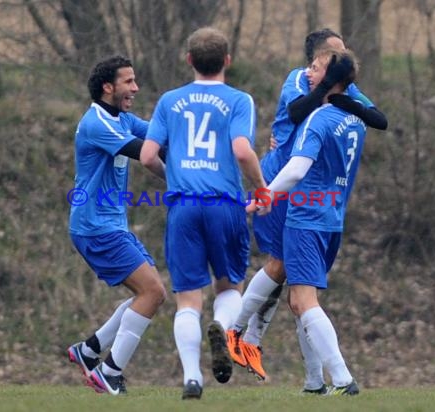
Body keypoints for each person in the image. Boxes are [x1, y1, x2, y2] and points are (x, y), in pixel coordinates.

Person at [226, 28, 387, 390]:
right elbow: (302, 110)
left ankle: (243, 335)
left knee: (300, 294)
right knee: (296, 289)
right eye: (323, 61)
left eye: (324, 67)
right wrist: (332, 97)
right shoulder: (309, 90)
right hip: (312, 203)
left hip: (300, 199)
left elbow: (301, 163)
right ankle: (308, 377)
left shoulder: (329, 114)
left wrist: (262, 196)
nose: (314, 71)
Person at [140, 27, 267, 400]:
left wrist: (175, 176)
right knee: (229, 286)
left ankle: (192, 378)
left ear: (189, 60)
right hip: (225, 205)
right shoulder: (239, 100)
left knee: (187, 299)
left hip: (183, 206)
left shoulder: (169, 101)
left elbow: (148, 156)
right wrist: (260, 187)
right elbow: (242, 151)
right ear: (227, 61)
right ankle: (222, 325)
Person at [252, 47, 365, 395]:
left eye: (315, 70)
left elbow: (298, 168)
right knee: (300, 300)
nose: (308, 75)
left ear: (330, 79)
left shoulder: (320, 118)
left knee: (304, 301)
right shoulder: (355, 119)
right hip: (332, 218)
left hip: (306, 218)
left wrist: (266, 193)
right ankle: (315, 385)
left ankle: (344, 380)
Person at [66, 55, 167, 396]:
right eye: (128, 82)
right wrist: (188, 174)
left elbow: (157, 135)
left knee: (148, 292)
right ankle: (109, 373)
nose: (135, 88)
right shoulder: (97, 123)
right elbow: (146, 151)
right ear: (107, 87)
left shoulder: (121, 117)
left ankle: (90, 350)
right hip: (95, 227)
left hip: (112, 225)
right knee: (152, 292)